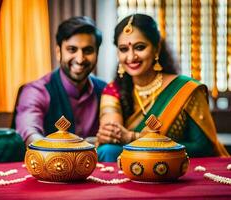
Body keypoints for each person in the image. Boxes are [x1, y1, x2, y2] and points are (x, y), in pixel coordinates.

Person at [96, 13, 229, 162]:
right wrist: (109, 134)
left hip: (177, 168)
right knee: (108, 150)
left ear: (156, 48)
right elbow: (112, 133)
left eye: (140, 47)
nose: (131, 57)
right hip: (131, 168)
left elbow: (203, 148)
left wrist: (132, 137)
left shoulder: (185, 89)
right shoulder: (114, 89)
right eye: (123, 49)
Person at [15, 16, 106, 146]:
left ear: (97, 53)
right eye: (72, 49)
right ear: (58, 52)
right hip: (48, 164)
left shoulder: (105, 90)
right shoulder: (36, 91)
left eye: (88, 50)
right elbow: (30, 133)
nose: (80, 59)